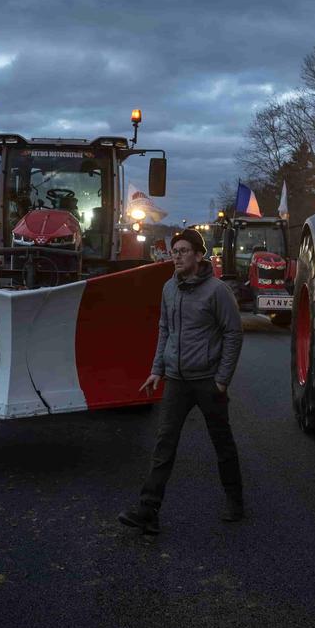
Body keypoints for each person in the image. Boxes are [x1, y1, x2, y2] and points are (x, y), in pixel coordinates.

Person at [118, 228, 245, 535]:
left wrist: (222, 380)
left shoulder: (217, 291)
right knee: (164, 444)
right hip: (176, 380)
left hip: (207, 381)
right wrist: (157, 369)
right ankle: (148, 510)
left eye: (184, 250)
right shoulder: (168, 289)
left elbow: (233, 333)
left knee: (222, 442)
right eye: (174, 251)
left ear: (200, 256)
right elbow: (165, 330)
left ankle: (234, 500)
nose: (177, 256)